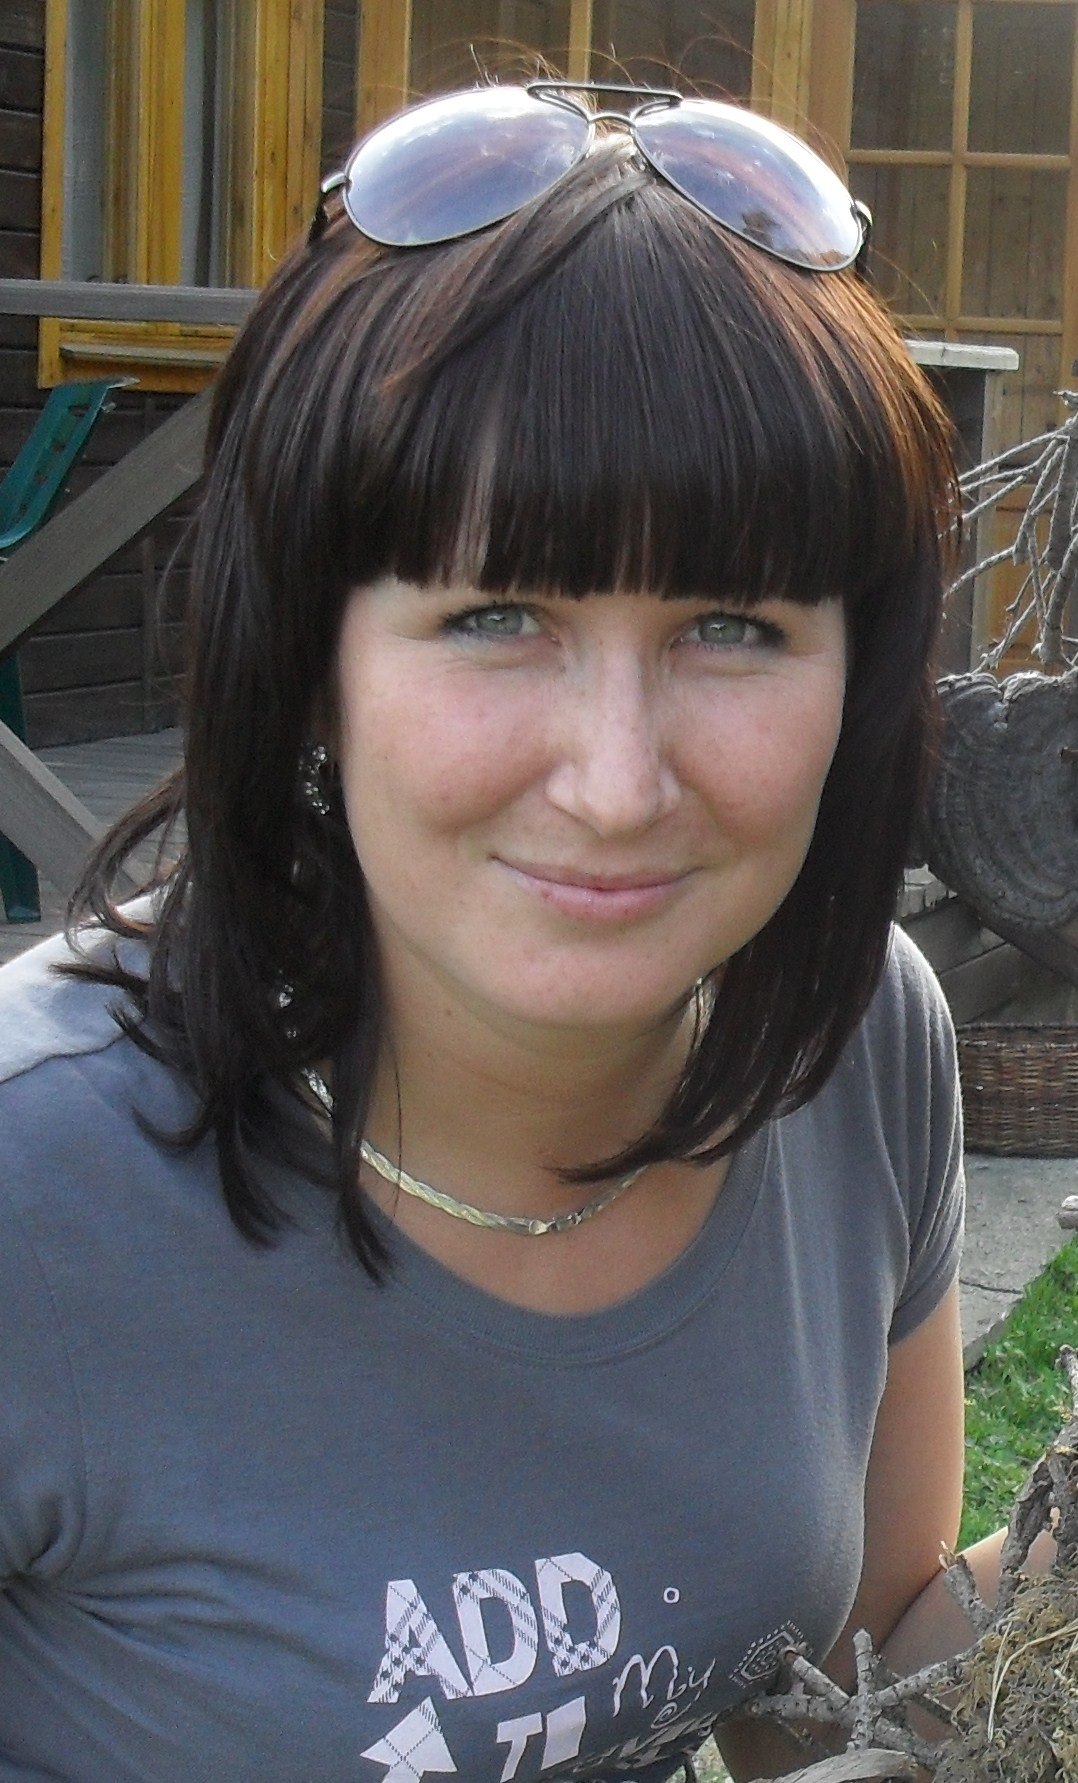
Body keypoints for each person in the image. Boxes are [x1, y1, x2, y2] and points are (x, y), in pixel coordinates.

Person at [0, 80, 972, 1783]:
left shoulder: (851, 1041)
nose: (614, 783)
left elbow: (855, 1702)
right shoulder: (36, 1192)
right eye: (496, 614)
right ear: (312, 654)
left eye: (733, 626)